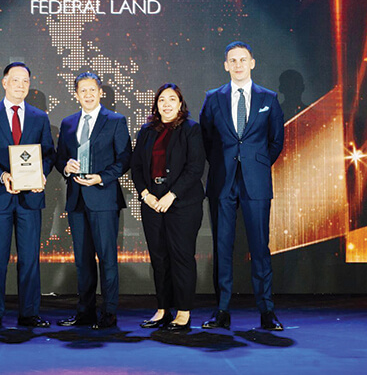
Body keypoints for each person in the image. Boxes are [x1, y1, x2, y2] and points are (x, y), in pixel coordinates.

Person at [199, 41, 285, 331]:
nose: (238, 65)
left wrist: (256, 164)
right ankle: (222, 310)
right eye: (232, 60)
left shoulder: (268, 98)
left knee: (260, 247)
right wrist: (223, 163)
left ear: (252, 63)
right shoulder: (213, 98)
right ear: (226, 65)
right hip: (222, 182)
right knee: (222, 247)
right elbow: (207, 140)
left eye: (243, 59)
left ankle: (267, 311)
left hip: (256, 183)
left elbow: (276, 141)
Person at [0, 62, 55, 330]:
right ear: (4, 82)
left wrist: (41, 174)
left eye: (26, 81)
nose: (21, 85)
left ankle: (29, 312)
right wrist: (2, 175)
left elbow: (49, 153)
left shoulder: (40, 117)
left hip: (31, 198)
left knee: (30, 258)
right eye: (16, 80)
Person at [55, 72, 132, 329]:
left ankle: (109, 312)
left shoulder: (115, 121)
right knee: (83, 260)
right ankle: (84, 312)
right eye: (83, 91)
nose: (88, 95)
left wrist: (101, 177)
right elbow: (60, 158)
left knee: (107, 258)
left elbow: (124, 158)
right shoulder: (68, 123)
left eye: (92, 90)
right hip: (76, 199)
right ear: (76, 95)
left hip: (104, 198)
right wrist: (66, 167)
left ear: (100, 93)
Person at [131, 83, 206, 332]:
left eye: (172, 99)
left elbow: (195, 168)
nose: (166, 104)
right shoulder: (146, 131)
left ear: (180, 104)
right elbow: (136, 167)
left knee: (181, 257)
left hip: (182, 203)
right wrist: (145, 195)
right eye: (162, 99)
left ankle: (183, 312)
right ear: (156, 104)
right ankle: (163, 310)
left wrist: (171, 195)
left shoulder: (191, 129)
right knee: (159, 258)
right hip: (152, 203)